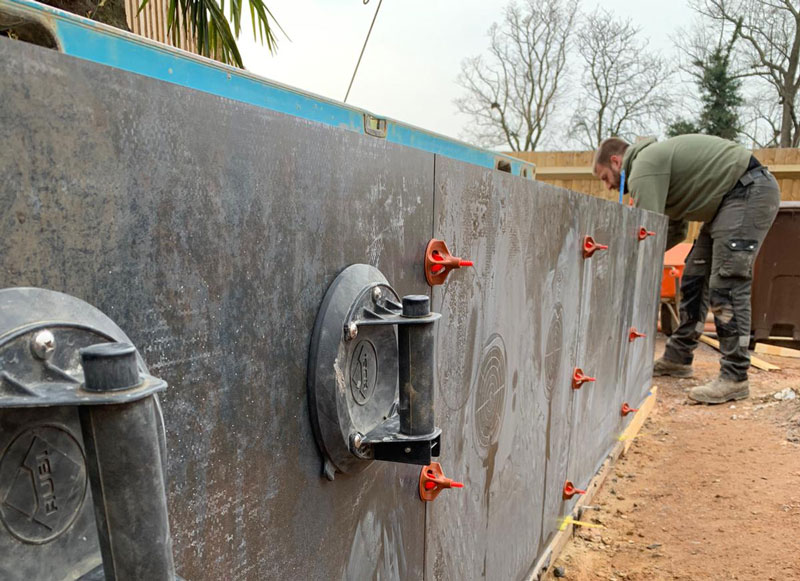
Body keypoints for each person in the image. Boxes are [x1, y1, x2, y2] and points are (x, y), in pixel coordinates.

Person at [592, 135, 780, 404]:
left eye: (604, 177)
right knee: (694, 277)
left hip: (747, 191)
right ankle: (678, 358)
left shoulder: (644, 166)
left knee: (727, 283)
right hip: (727, 201)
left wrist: (622, 267)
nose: (608, 186)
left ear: (616, 161)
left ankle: (735, 377)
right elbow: (676, 230)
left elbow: (646, 232)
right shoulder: (654, 166)